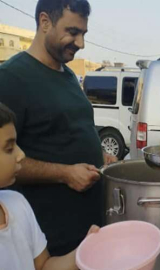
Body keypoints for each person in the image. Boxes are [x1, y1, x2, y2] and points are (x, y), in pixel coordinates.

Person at [0, 0, 116, 256]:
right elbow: (5, 160)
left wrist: (98, 153)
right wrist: (65, 173)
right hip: (52, 241)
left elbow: (69, 131)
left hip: (87, 232)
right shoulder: (10, 78)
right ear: (44, 22)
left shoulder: (69, 76)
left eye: (83, 34)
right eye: (72, 32)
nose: (81, 43)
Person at [0, 103, 99, 270]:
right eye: (9, 148)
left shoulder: (17, 204)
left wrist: (83, 251)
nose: (21, 154)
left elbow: (44, 266)